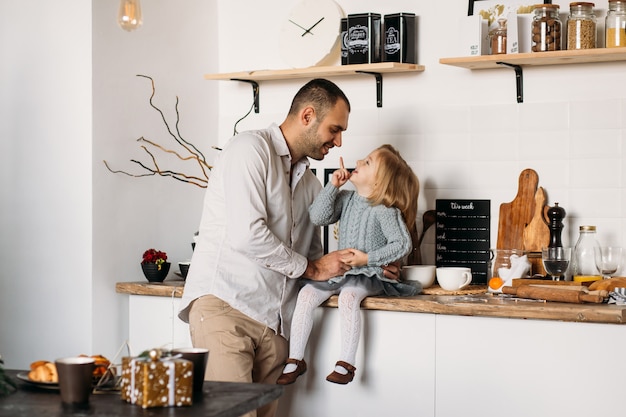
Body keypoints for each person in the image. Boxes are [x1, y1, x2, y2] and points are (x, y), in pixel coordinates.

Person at [177, 79, 399, 417]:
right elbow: (248, 235)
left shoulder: (310, 184)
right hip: (226, 310)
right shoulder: (250, 149)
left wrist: (372, 265)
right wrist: (314, 269)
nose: (339, 142)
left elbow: (313, 258)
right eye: (335, 129)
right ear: (307, 116)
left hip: (275, 326)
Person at [276, 144, 420, 386]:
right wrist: (333, 186)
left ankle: (346, 362)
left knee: (349, 298)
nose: (359, 161)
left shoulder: (385, 210)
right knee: (307, 294)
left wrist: (367, 259)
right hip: (340, 272)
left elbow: (402, 244)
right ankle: (295, 359)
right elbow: (318, 217)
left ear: (379, 183)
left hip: (369, 275)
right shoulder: (347, 199)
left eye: (368, 162)